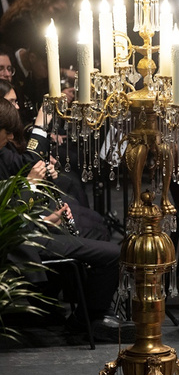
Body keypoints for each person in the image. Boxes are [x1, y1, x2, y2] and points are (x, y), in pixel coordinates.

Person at [0, 97, 125, 341]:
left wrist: (49, 213)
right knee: (112, 253)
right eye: (7, 133)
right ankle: (84, 320)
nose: (11, 139)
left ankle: (92, 309)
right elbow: (7, 216)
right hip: (22, 241)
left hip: (30, 229)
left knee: (95, 227)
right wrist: (31, 187)